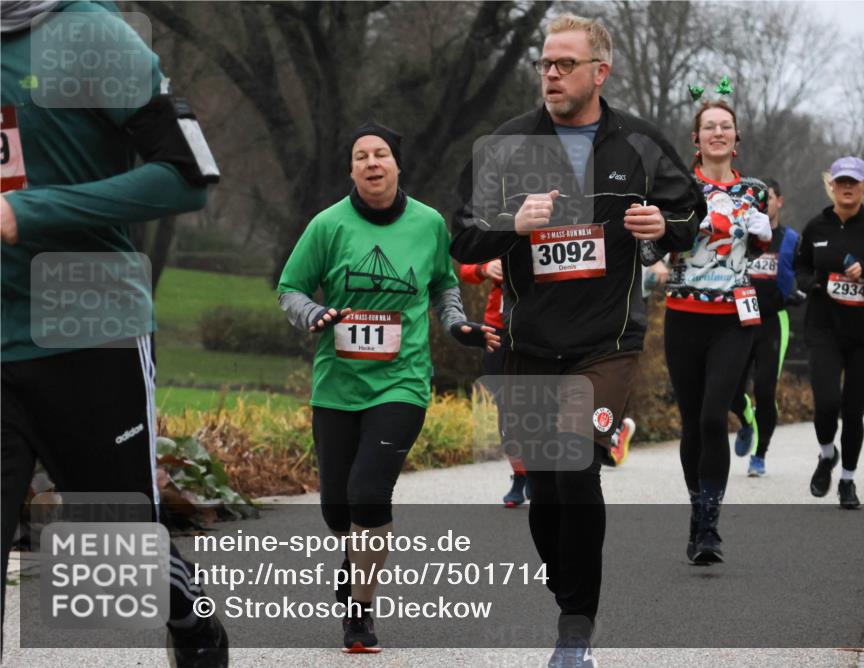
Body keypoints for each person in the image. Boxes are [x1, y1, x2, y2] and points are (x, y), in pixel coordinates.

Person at [451, 14, 704, 667]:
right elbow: (463, 236)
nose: (552, 74)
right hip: (531, 342)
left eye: (566, 64)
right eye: (545, 63)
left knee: (573, 464)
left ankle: (574, 631)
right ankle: (570, 596)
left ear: (600, 72)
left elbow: (691, 213)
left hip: (606, 341)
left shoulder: (639, 143)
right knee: (545, 489)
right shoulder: (507, 143)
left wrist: (662, 226)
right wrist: (514, 223)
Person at [1, 1, 227, 665]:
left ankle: (192, 624)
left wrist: (30, 210)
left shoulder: (89, 34)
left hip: (88, 331)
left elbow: (187, 176)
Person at [278, 121, 498, 652]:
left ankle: (360, 611)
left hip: (402, 382)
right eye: (361, 156)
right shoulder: (328, 225)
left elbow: (444, 285)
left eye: (381, 154)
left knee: (369, 494)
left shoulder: (428, 224)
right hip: (337, 384)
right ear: (351, 169)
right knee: (337, 509)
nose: (372, 163)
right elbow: (290, 288)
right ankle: (354, 557)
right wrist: (312, 314)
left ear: (398, 165)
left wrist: (456, 325)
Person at [658, 98, 773, 563]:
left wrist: (763, 231)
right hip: (684, 314)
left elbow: (756, 246)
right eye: (710, 127)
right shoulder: (677, 188)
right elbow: (654, 249)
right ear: (696, 138)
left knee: (712, 417)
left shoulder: (754, 191)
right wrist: (674, 230)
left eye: (726, 126)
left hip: (733, 318)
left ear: (736, 138)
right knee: (692, 422)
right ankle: (696, 509)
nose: (718, 133)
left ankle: (709, 525)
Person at [795, 157, 864, 508]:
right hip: (824, 328)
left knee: (853, 409)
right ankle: (828, 454)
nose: (846, 187)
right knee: (827, 402)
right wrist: (812, 283)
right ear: (832, 186)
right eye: (841, 181)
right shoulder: (815, 227)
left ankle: (847, 481)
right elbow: (799, 268)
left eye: (853, 182)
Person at [728, 178, 804, 476]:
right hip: (740, 319)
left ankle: (759, 455)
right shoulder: (741, 236)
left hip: (773, 321)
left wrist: (799, 291)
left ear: (779, 201)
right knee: (732, 391)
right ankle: (747, 421)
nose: (762, 204)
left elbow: (805, 272)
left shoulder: (791, 239)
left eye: (768, 198)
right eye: (757, 199)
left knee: (765, 389)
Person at [458, 259, 532, 506]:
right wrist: (485, 269)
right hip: (497, 329)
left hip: (536, 328)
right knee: (506, 406)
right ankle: (520, 475)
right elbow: (465, 269)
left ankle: (538, 470)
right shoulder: (500, 237)